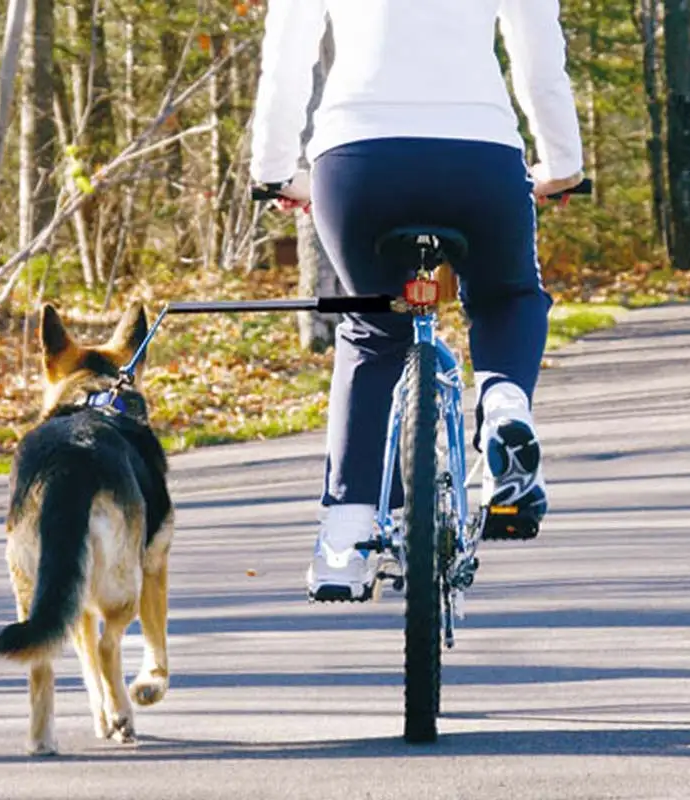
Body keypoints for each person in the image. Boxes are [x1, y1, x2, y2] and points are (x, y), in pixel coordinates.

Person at [249, 0, 584, 602]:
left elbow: (286, 59)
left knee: (374, 327)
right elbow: (539, 54)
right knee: (508, 295)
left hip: (358, 158)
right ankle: (505, 408)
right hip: (479, 157)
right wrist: (562, 164)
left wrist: (275, 171)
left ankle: (345, 538)